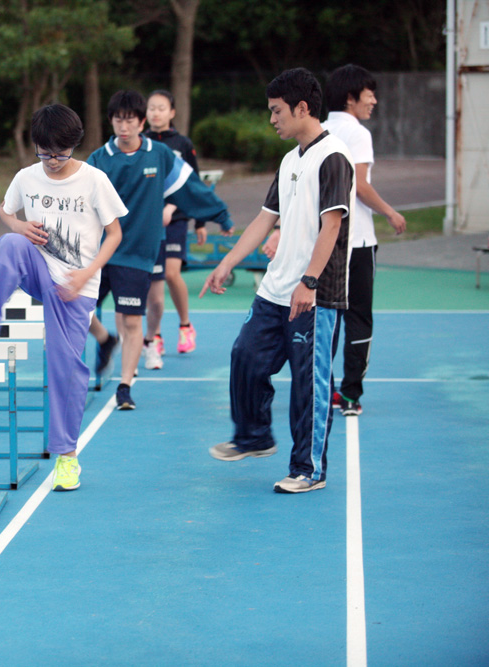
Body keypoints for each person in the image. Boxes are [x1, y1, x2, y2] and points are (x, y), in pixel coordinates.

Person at [0, 104, 125, 492]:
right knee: (10, 242)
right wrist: (19, 225)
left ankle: (67, 457)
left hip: (76, 286)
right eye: (44, 153)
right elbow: (5, 211)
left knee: (64, 368)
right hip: (39, 270)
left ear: (74, 146)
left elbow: (114, 233)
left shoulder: (94, 180)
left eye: (60, 154)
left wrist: (87, 272)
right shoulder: (27, 177)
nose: (51, 162)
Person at [200, 68, 354, 494]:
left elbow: (332, 227)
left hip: (315, 295)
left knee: (309, 383)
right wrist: (228, 262)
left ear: (302, 108)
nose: (272, 119)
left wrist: (309, 281)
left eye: (276, 111)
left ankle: (308, 469)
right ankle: (254, 436)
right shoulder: (290, 160)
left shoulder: (333, 157)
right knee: (245, 357)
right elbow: (265, 220)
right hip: (274, 289)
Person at [264, 64, 406, 417]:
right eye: (369, 94)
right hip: (353, 243)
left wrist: (280, 228)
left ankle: (322, 389)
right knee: (358, 317)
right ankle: (351, 392)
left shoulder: (320, 131)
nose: (374, 100)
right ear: (351, 97)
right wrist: (390, 212)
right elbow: (361, 185)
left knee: (327, 322)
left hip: (320, 246)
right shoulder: (355, 134)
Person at [86, 90, 233, 410]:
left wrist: (219, 214)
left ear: (141, 123)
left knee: (131, 320)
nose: (123, 127)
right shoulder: (98, 159)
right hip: (98, 253)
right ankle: (104, 339)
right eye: (117, 120)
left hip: (138, 252)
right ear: (110, 122)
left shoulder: (160, 154)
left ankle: (125, 386)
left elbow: (191, 188)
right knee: (74, 310)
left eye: (130, 120)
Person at [143, 89, 234, 370]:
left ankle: (185, 325)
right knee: (153, 281)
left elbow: (192, 184)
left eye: (161, 108)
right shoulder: (140, 142)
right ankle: (154, 336)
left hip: (178, 218)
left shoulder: (182, 143)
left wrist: (199, 221)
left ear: (171, 112)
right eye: (151, 108)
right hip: (150, 221)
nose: (156, 113)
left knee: (171, 273)